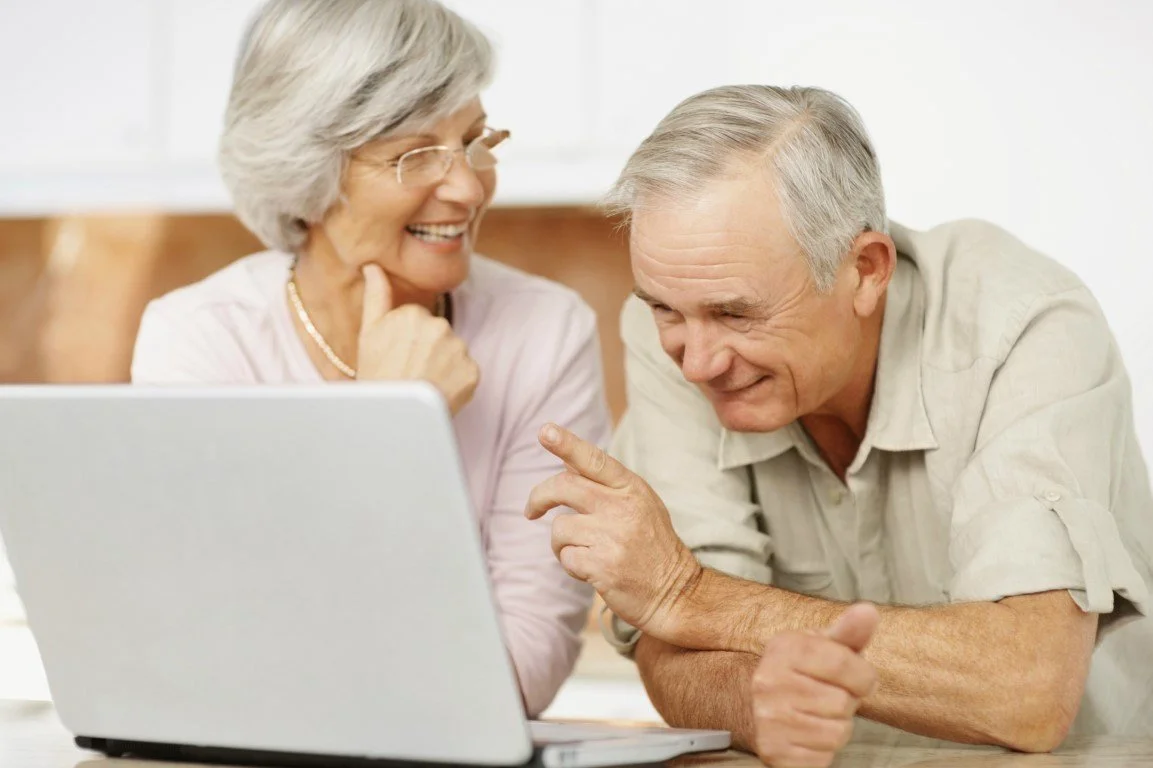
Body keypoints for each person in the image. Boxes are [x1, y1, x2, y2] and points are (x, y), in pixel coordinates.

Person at [525, 84, 1153, 764]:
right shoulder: (667, 343)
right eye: (665, 310)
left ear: (864, 270)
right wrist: (750, 703)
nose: (697, 361)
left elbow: (1026, 688)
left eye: (735, 313)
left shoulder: (1021, 327)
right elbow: (673, 653)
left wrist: (691, 595)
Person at [131, 0, 610, 717]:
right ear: (309, 171)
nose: (468, 186)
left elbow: (519, 668)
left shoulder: (544, 331)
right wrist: (384, 428)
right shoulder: (201, 339)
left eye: (474, 141)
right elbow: (216, 653)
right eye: (416, 154)